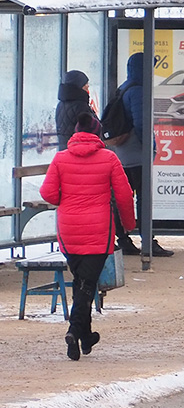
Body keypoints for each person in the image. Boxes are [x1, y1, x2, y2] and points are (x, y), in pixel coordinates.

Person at [40, 113, 136, 361]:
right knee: (86, 285)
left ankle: (86, 336)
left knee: (82, 283)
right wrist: (128, 225)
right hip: (98, 231)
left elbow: (48, 193)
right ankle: (73, 331)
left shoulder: (60, 159)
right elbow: (124, 196)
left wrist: (69, 201)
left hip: (69, 231)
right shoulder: (109, 158)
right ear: (97, 133)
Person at [110, 52, 173, 257]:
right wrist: (151, 148)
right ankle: (148, 242)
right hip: (136, 155)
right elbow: (142, 123)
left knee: (123, 198)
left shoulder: (124, 88)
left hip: (123, 154)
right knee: (143, 199)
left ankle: (124, 239)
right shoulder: (138, 91)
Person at [55, 70, 95, 150]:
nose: (88, 86)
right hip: (79, 151)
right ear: (78, 86)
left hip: (65, 150)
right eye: (85, 84)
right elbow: (92, 129)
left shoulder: (60, 104)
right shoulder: (81, 106)